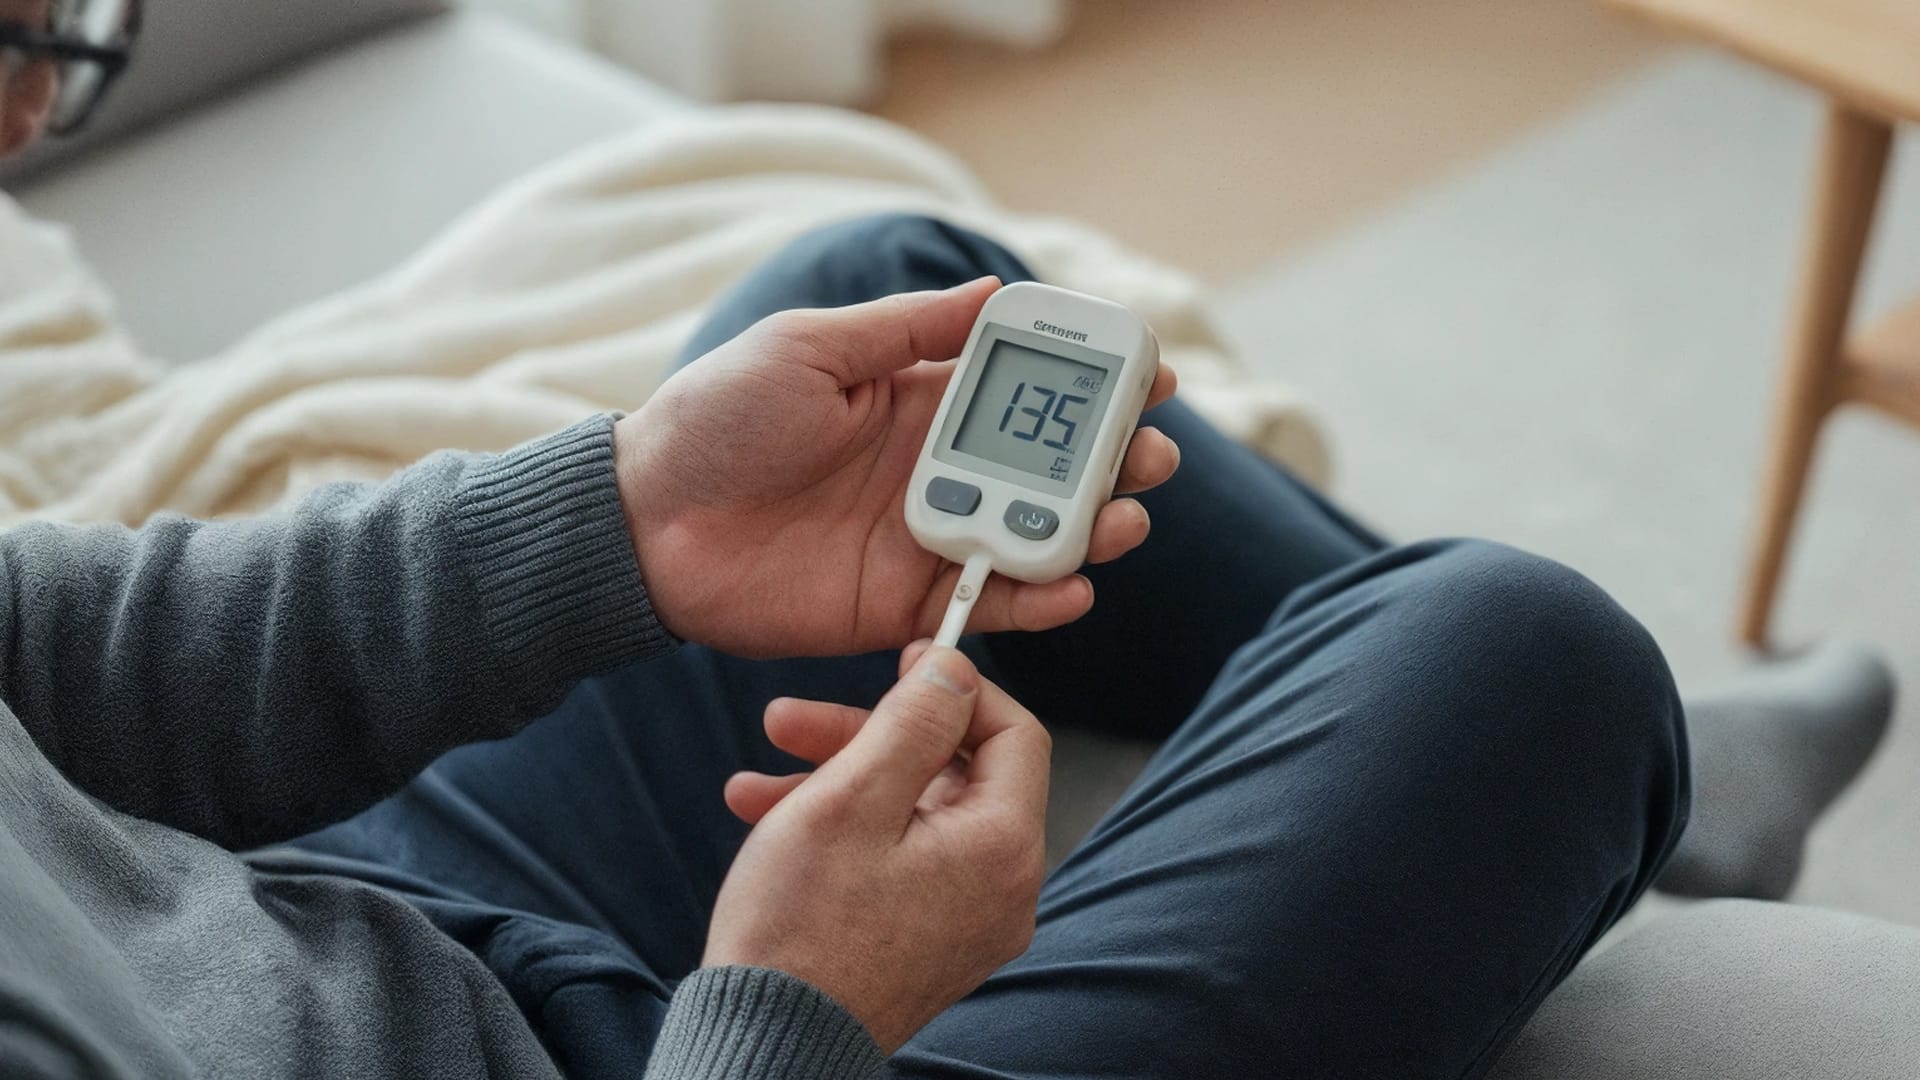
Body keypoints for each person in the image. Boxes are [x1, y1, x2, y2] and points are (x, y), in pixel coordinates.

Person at [0, 4, 1894, 1078]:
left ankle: (1676, 798)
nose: (34, 102)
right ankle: (1641, 772)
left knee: (887, 282)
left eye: (61, 32)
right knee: (1514, 657)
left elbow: (45, 657)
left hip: (335, 912)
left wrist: (613, 519)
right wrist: (790, 1015)